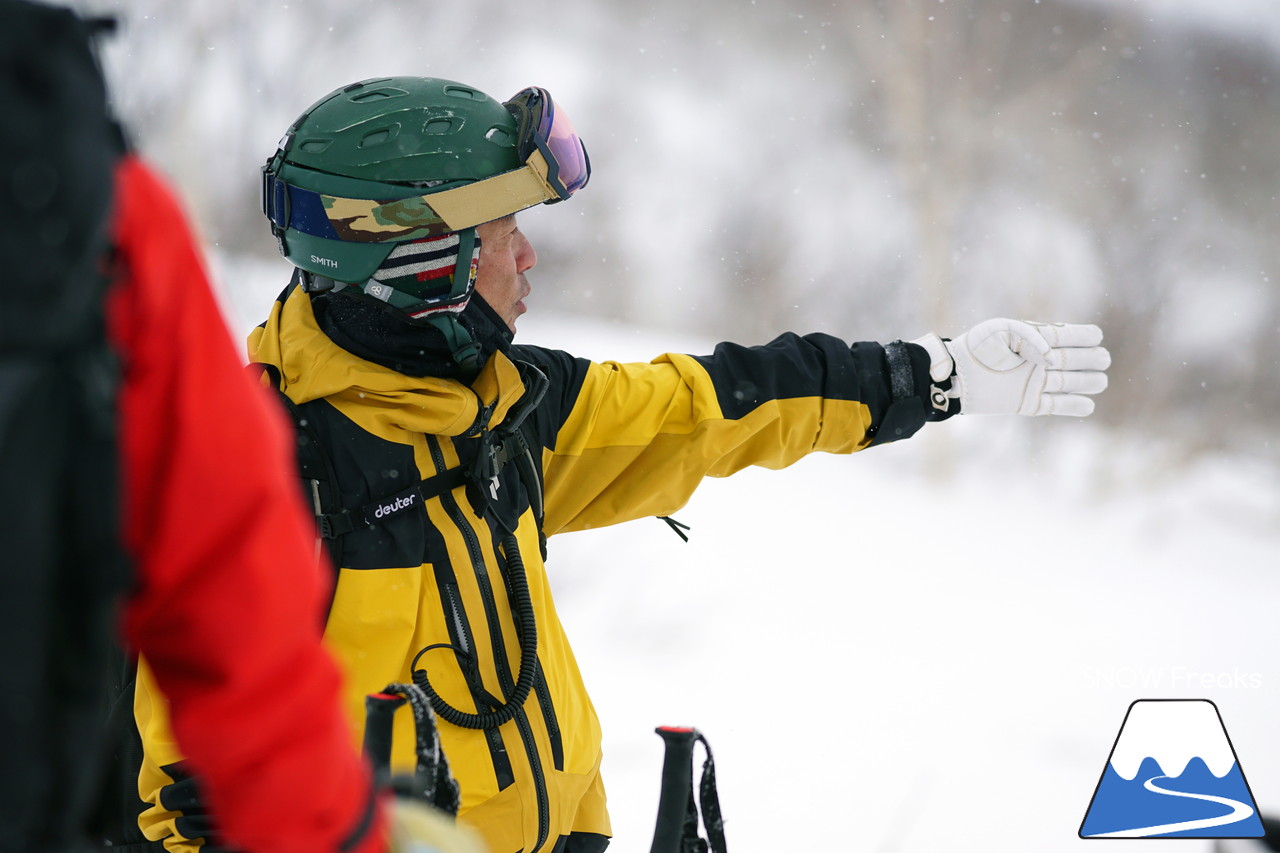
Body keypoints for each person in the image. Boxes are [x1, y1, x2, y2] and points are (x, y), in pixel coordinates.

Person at [128, 75, 1111, 853]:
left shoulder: (509, 410)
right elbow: (190, 801)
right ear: (414, 266)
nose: (528, 261)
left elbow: (715, 405)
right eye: (502, 235)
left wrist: (927, 378)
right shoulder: (248, 476)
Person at [2, 4, 480, 851]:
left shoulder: (81, 199)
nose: (525, 262)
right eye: (499, 232)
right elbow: (229, 608)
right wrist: (336, 830)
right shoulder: (82, 206)